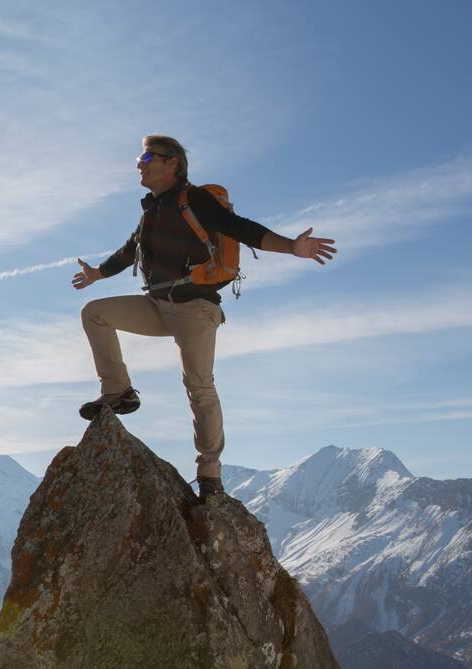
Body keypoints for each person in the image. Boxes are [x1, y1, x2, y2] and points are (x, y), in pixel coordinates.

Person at [72, 134, 336, 501]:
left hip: (195, 310)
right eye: (140, 157)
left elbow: (240, 228)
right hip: (157, 305)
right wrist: (98, 274)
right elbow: (130, 250)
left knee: (199, 386)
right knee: (95, 313)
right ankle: (118, 393)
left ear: (173, 163)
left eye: (148, 156)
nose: (139, 163)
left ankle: (209, 474)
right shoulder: (152, 209)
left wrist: (291, 246)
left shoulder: (194, 199)